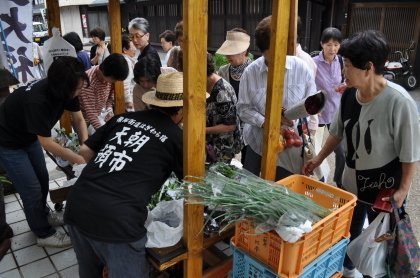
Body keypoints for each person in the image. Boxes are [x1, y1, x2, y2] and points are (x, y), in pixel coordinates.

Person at [302, 30, 420, 278]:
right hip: (352, 187)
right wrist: (318, 159)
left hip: (385, 192)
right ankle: (348, 270)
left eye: (347, 65)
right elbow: (336, 133)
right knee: (349, 232)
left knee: (380, 245)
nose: (343, 70)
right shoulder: (348, 97)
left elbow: (410, 154)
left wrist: (403, 191)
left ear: (367, 67)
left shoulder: (400, 103)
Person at [64, 72, 185, 278]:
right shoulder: (176, 136)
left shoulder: (124, 118)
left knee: (89, 272)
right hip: (118, 221)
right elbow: (194, 183)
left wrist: (111, 173)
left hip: (77, 204)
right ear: (183, 109)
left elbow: (85, 151)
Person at [0, 57, 89, 247]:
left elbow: (79, 120)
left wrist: (85, 146)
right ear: (63, 87)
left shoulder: (69, 90)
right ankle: (43, 233)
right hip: (8, 142)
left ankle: (44, 216)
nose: (80, 91)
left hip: (28, 136)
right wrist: (79, 159)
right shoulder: (38, 100)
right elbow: (47, 143)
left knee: (41, 180)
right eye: (78, 88)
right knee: (30, 189)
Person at [237, 15, 318, 180]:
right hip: (258, 142)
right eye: (270, 56)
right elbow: (243, 109)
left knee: (285, 188)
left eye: (279, 54)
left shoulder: (301, 68)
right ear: (262, 51)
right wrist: (266, 122)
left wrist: (300, 122)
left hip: (291, 145)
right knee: (252, 188)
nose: (276, 61)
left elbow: (312, 104)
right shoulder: (250, 72)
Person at [312, 27, 345, 186]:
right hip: (318, 113)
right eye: (329, 44)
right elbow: (308, 85)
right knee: (315, 149)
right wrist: (312, 108)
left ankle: (339, 181)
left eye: (336, 45)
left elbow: (348, 82)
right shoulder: (313, 63)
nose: (332, 49)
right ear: (322, 44)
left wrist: (345, 85)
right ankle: (318, 181)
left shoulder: (342, 61)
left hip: (336, 112)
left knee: (341, 151)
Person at [216, 28, 252, 164]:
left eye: (232, 51)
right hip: (228, 127)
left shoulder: (254, 71)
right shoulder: (223, 71)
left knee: (248, 163)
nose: (228, 55)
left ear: (244, 51)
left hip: (249, 126)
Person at [78, 53, 129, 132]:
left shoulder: (110, 77)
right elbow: (91, 114)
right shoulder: (88, 81)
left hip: (98, 114)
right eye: (114, 79)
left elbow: (109, 98)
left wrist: (109, 110)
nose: (115, 82)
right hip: (83, 119)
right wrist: (104, 133)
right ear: (104, 70)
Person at [206, 53, 241, 163]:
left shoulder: (221, 90)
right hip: (211, 142)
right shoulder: (207, 82)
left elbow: (230, 126)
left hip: (222, 146)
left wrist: (202, 131)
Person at [121, 34, 137, 112]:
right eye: (133, 46)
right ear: (125, 50)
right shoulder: (126, 61)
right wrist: (129, 101)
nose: (135, 48)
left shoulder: (123, 58)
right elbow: (125, 84)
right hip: (128, 100)